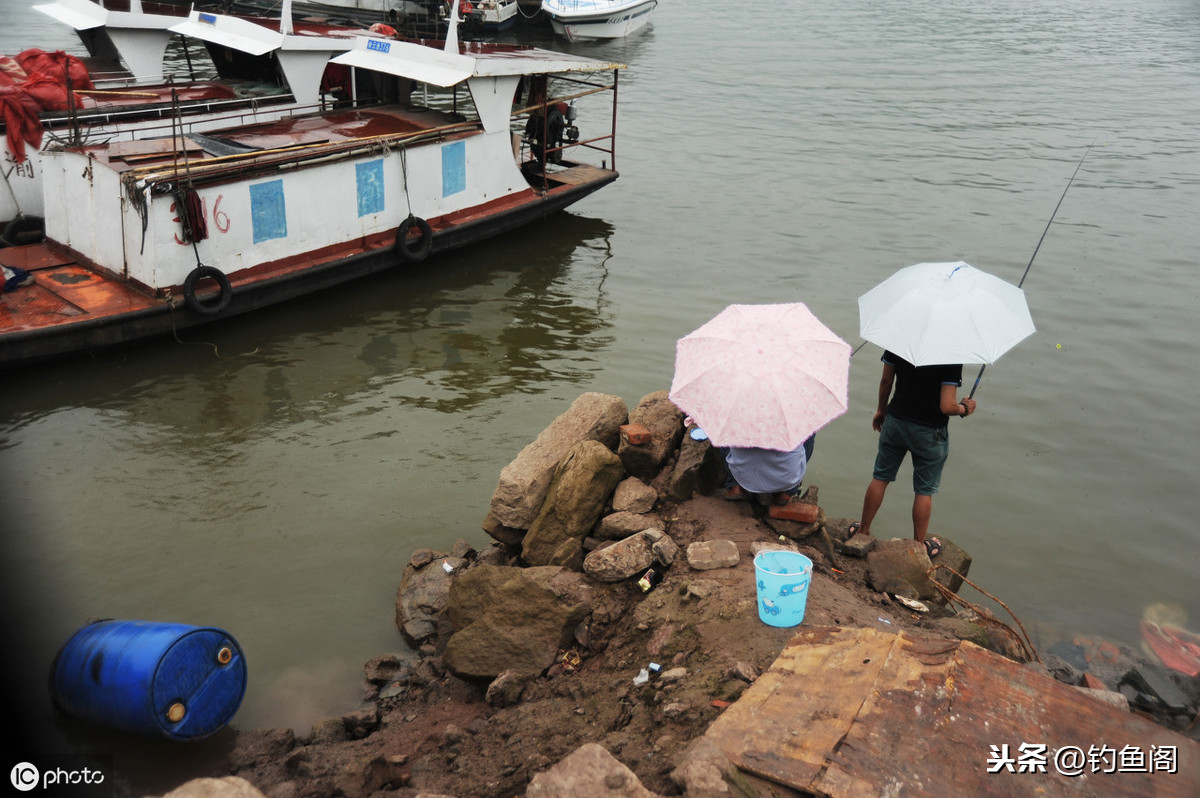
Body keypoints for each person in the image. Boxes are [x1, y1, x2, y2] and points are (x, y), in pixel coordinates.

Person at [850, 351, 976, 558]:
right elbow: (946, 406)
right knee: (924, 491)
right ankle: (919, 549)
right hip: (930, 432)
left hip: (896, 421)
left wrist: (881, 410)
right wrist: (964, 408)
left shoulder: (900, 341)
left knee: (880, 477)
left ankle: (863, 531)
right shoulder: (950, 355)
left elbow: (885, 381)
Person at [720, 434, 815, 507]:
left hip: (740, 472)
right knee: (809, 430)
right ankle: (786, 492)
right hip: (785, 478)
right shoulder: (792, 412)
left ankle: (735, 486)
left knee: (722, 427)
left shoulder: (740, 410)